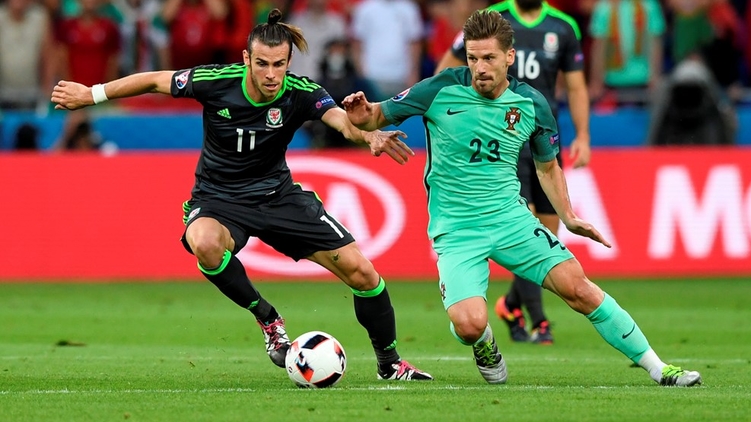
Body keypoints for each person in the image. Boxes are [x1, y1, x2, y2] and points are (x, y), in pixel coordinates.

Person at [50, 8, 432, 382]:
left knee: (363, 274)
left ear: (289, 62)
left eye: (279, 64)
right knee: (204, 244)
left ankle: (390, 364)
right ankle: (269, 319)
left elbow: (342, 123)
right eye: (262, 63)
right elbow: (154, 80)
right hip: (219, 199)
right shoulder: (217, 81)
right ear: (247, 58)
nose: (271, 74)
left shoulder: (301, 92)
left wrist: (369, 134)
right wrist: (92, 93)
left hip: (278, 196)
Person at [343, 9, 701, 387]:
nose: (480, 68)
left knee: (579, 289)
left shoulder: (531, 104)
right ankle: (483, 342)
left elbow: (548, 167)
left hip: (511, 220)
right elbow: (373, 118)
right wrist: (361, 113)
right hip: (457, 229)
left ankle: (660, 368)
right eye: (473, 58)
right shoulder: (439, 89)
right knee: (469, 324)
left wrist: (568, 216)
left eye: (489, 58)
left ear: (509, 57)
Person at [434, 0, 591, 345]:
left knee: (545, 235)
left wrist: (582, 135)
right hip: (500, 142)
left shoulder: (563, 27)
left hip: (542, 140)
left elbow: (576, 86)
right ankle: (540, 322)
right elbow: (444, 73)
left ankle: (511, 304)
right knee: (527, 219)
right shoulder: (492, 22)